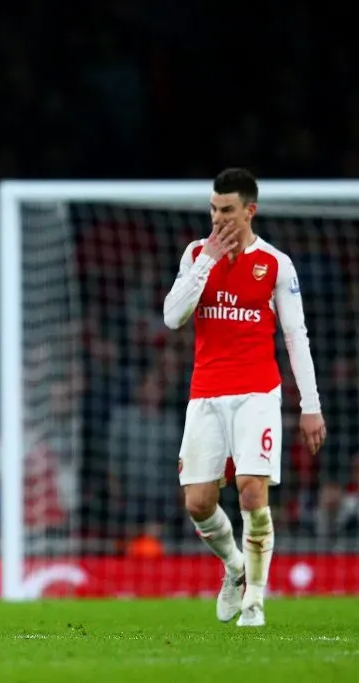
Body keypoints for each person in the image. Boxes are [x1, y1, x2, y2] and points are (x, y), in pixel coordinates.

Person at [162, 167, 326, 627]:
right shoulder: (196, 254)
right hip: (205, 394)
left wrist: (309, 406)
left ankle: (254, 598)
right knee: (197, 503)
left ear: (249, 211)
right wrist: (206, 262)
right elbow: (173, 317)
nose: (218, 219)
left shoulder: (276, 264)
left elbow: (296, 336)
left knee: (252, 494)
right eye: (213, 209)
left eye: (227, 210)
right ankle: (235, 567)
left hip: (258, 392)